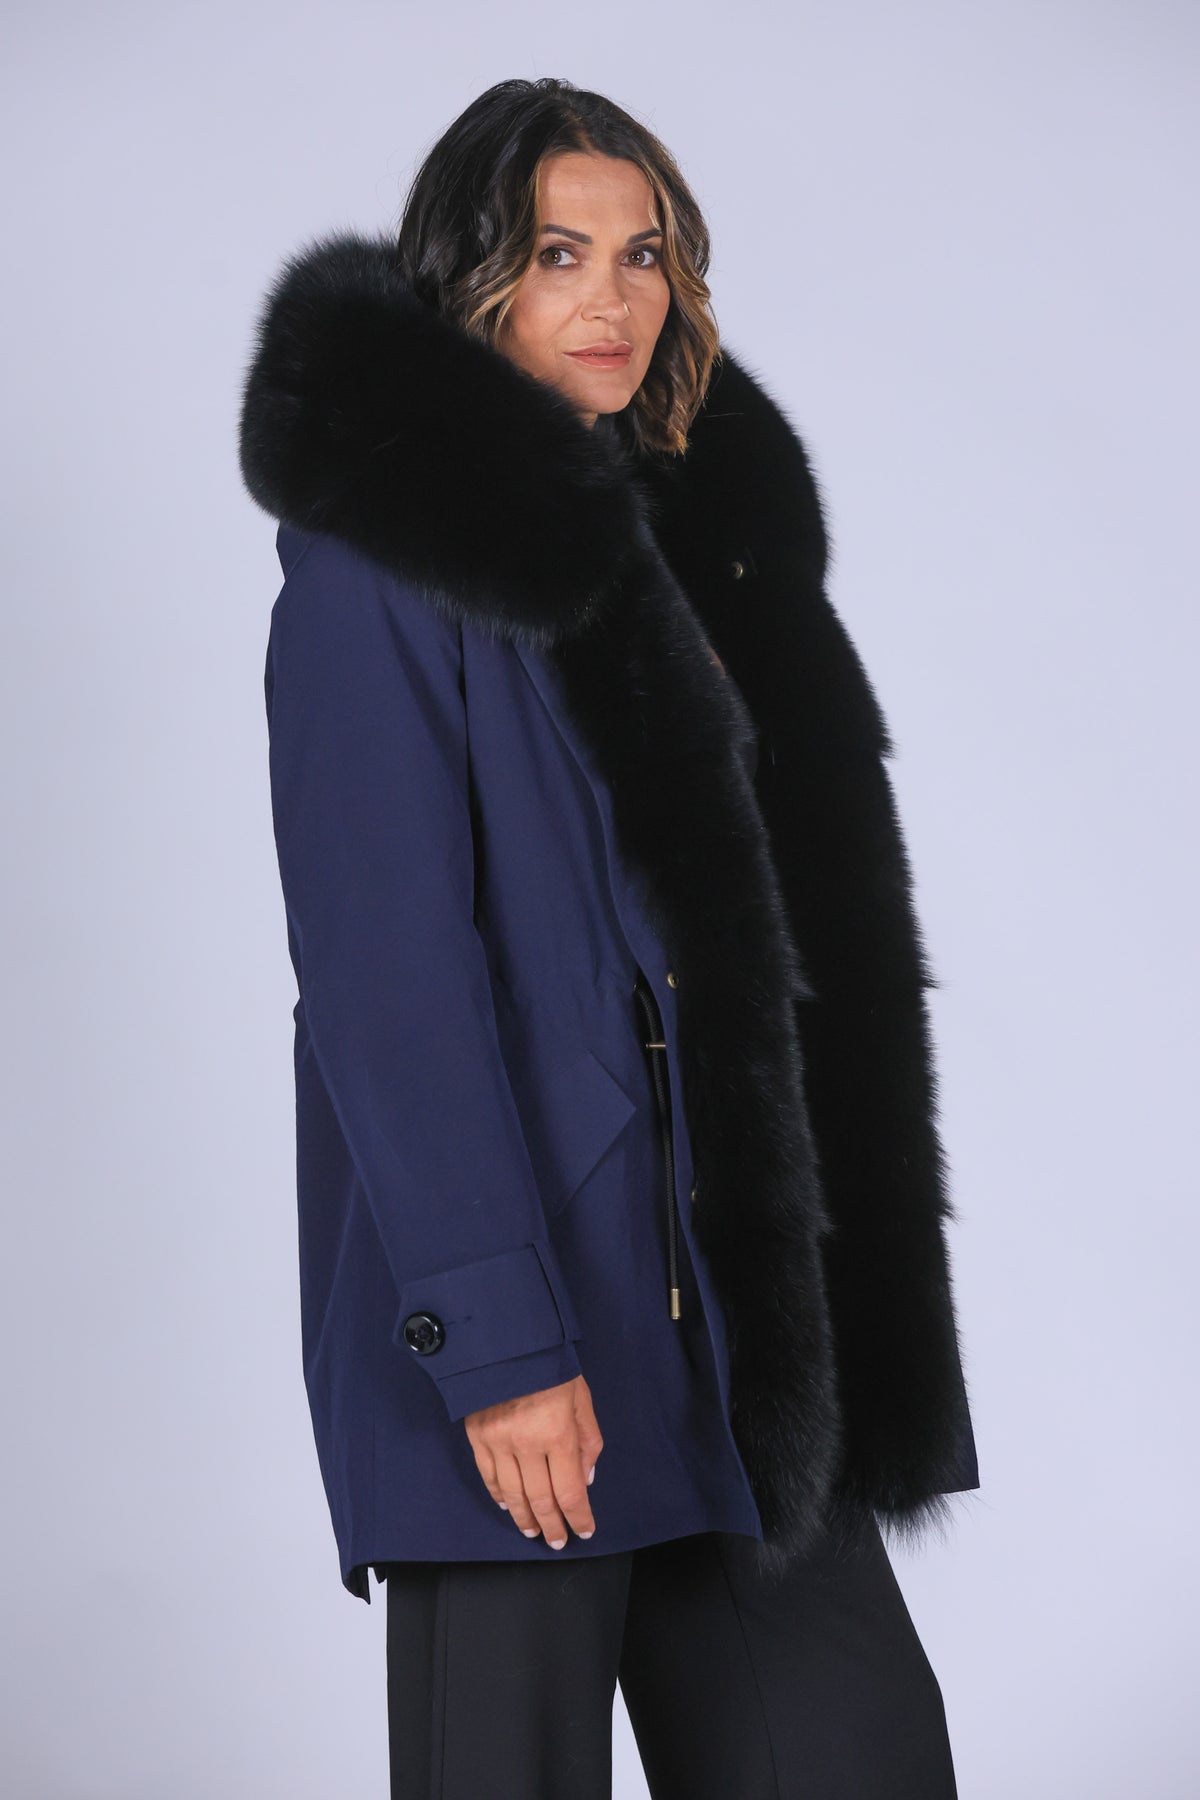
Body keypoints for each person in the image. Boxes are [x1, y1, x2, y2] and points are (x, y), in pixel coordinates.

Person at [238, 75, 980, 1800]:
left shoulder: (701, 557)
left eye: (644, 253)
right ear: (470, 274)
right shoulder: (375, 572)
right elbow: (387, 988)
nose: (614, 297)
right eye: (560, 252)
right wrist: (503, 1351)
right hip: (528, 1332)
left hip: (740, 1333)